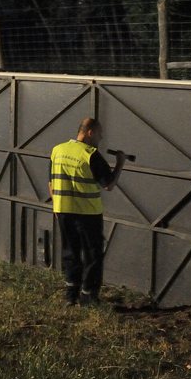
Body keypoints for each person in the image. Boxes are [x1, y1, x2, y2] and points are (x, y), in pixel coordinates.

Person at [49, 117, 126, 305]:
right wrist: (120, 163)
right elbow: (108, 184)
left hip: (63, 211)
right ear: (90, 132)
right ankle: (88, 296)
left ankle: (70, 295)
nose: (101, 138)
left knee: (70, 251)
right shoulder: (90, 154)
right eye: (100, 134)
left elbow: (50, 183)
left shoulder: (57, 150)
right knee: (92, 254)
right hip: (87, 214)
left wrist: (57, 204)